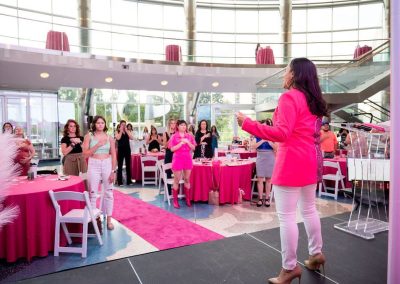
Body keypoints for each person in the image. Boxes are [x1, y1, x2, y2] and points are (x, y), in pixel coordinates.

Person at [236, 57, 328, 284]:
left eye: (286, 70)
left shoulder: (289, 97)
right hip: (310, 161)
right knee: (309, 210)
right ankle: (316, 254)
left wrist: (248, 124)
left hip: (291, 162)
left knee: (287, 216)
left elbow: (282, 133)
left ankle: (289, 268)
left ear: (295, 75)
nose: (283, 75)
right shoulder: (314, 100)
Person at [83, 115, 117, 230]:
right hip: (94, 164)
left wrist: (113, 171)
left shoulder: (109, 138)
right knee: (92, 192)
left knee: (109, 193)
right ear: (94, 124)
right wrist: (97, 145)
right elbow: (85, 154)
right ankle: (93, 221)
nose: (100, 125)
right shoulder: (89, 136)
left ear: (105, 124)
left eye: (102, 123)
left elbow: (114, 155)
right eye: (98, 123)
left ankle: (109, 221)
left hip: (107, 164)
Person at [168, 120, 196, 209]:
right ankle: (175, 201)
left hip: (187, 158)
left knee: (187, 179)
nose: (184, 126)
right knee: (177, 180)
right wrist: (181, 143)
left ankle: (188, 200)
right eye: (181, 125)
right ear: (178, 126)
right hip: (178, 159)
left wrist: (187, 142)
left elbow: (194, 148)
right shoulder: (174, 136)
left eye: (185, 125)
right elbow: (172, 149)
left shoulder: (189, 136)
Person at [251, 119, 276, 207]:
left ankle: (267, 198)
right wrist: (262, 140)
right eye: (263, 125)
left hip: (270, 157)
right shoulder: (257, 135)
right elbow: (253, 146)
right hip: (260, 157)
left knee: (269, 180)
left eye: (266, 125)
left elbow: (276, 148)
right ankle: (260, 199)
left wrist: (269, 141)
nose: (264, 127)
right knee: (260, 179)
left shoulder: (273, 135)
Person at [115, 119, 134, 186]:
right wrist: (120, 131)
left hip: (127, 149)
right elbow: (118, 138)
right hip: (120, 150)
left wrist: (126, 130)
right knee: (120, 165)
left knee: (128, 165)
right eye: (122, 125)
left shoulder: (127, 131)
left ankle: (129, 181)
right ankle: (119, 182)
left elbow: (132, 138)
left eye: (124, 125)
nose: (123, 126)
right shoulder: (117, 131)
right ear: (120, 125)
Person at [163, 118, 177, 192]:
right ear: (169, 124)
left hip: (176, 154)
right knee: (168, 173)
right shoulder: (165, 133)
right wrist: (171, 138)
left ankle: (176, 190)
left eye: (174, 123)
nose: (173, 125)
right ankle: (169, 191)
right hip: (169, 154)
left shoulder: (177, 133)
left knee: (177, 173)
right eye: (172, 123)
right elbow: (164, 146)